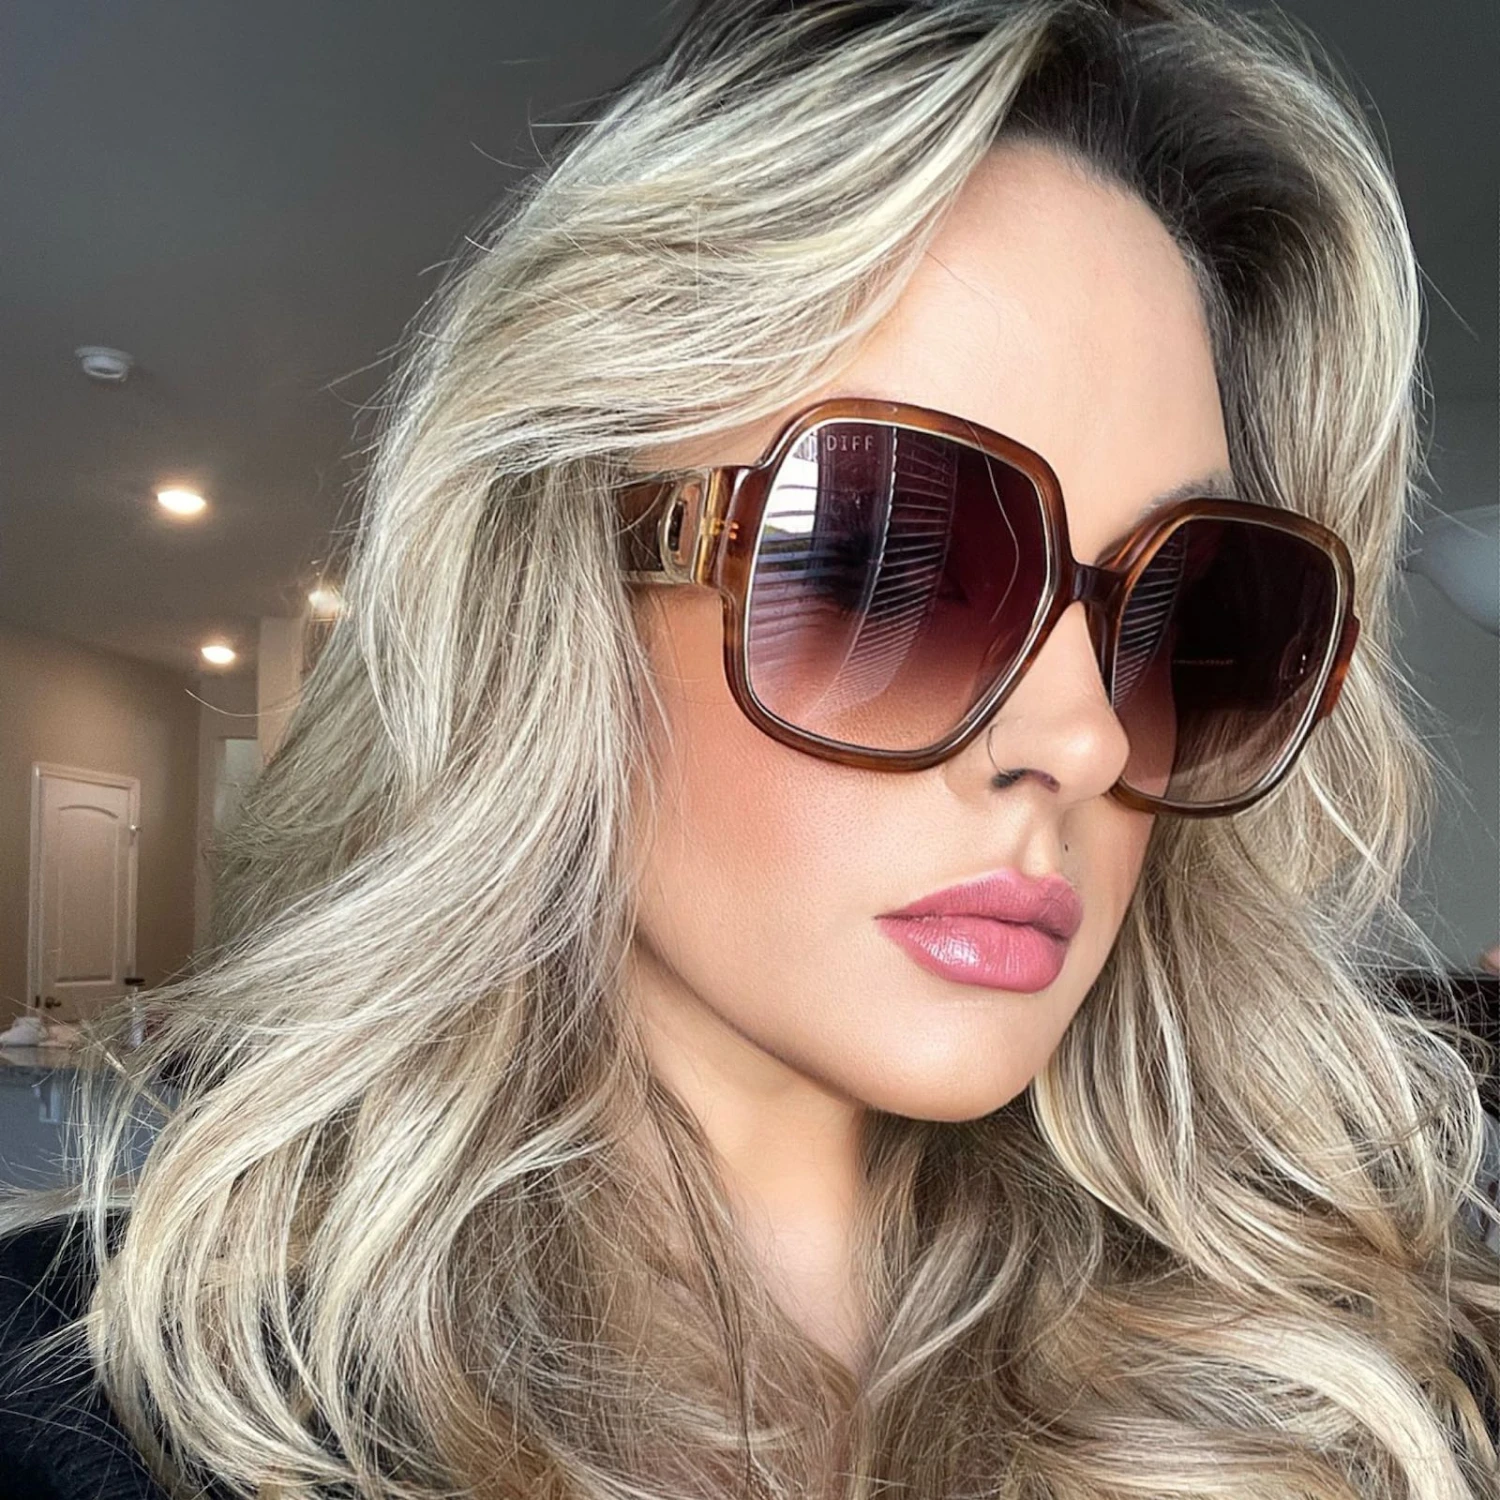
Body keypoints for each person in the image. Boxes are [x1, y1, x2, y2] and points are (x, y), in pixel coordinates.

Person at [2, 1, 1496, 1496]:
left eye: (1183, 613)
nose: (1087, 737)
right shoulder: (92, 1411)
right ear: (558, 591)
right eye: (889, 558)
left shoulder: (1369, 1379)